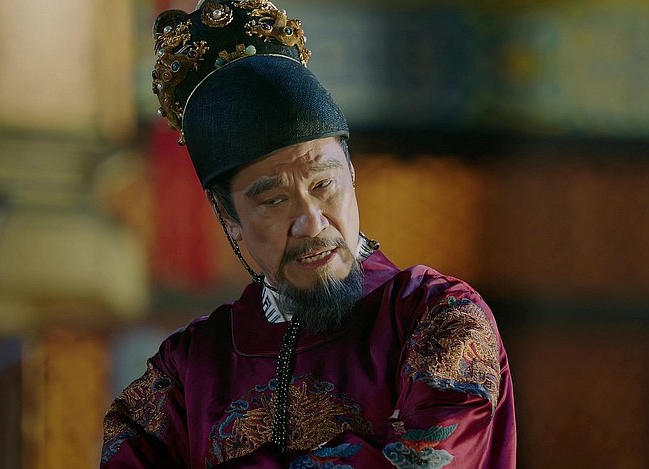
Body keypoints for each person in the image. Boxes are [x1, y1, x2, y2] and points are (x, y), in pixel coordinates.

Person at [101, 1, 516, 467]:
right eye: (274, 200)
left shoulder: (437, 317)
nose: (312, 222)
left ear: (351, 173)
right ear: (227, 215)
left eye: (323, 185)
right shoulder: (185, 371)